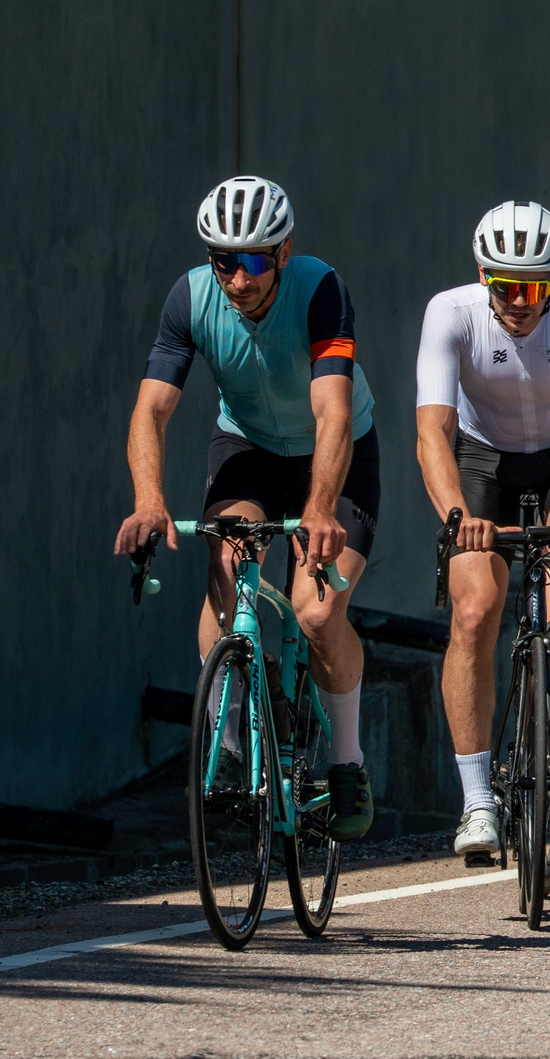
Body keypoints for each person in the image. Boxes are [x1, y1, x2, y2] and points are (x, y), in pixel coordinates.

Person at [114, 176, 381, 840]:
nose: (238, 278)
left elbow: (333, 411)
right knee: (227, 558)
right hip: (249, 445)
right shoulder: (190, 296)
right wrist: (148, 499)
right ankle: (230, 732)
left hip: (334, 448)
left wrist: (320, 507)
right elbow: (151, 408)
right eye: (224, 261)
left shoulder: (320, 289)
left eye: (255, 260)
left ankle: (347, 758)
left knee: (317, 613)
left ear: (283, 253)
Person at [415, 202, 550, 863]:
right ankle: (478, 801)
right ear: (483, 275)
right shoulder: (449, 312)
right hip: (484, 462)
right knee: (475, 609)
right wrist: (457, 516)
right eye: (505, 286)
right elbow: (432, 430)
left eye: (535, 287)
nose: (518, 301)